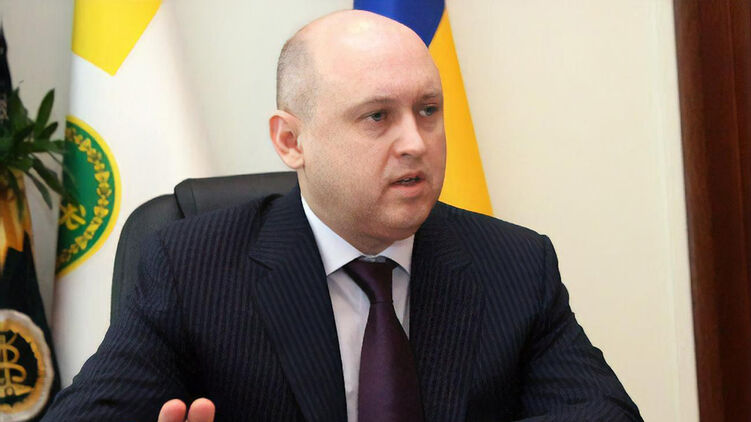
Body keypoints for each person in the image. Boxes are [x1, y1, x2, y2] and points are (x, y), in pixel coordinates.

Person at [42, 10, 642, 422]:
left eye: (428, 110)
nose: (416, 143)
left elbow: (603, 414)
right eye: (377, 116)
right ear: (291, 141)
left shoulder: (514, 263)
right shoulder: (192, 267)